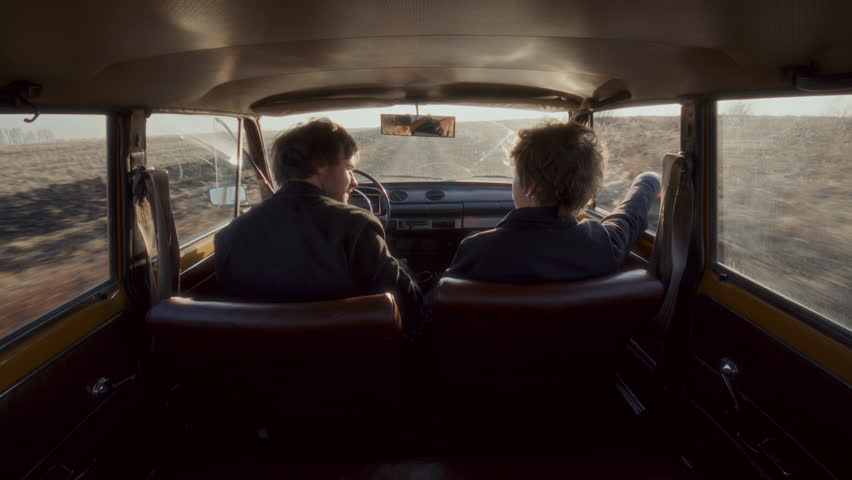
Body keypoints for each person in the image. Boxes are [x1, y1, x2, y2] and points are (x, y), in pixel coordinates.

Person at [215, 118, 423, 334]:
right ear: (320, 165)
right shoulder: (356, 224)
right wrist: (402, 268)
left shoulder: (230, 234)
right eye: (349, 168)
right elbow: (407, 309)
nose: (354, 182)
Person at [445, 121, 661, 283]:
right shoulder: (602, 245)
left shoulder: (477, 250)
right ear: (588, 190)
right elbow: (630, 214)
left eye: (515, 175)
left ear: (532, 185)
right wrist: (650, 179)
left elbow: (443, 307)